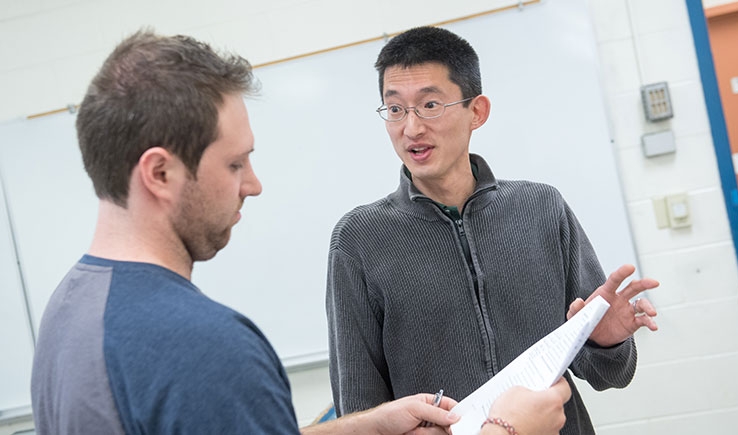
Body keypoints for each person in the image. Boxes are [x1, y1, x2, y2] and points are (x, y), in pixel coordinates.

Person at [30, 29, 573, 435]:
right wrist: (504, 430)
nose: (254, 185)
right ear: (160, 173)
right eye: (236, 164)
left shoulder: (70, 308)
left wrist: (368, 424)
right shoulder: (206, 350)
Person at [326, 26, 660, 435]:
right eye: (394, 109)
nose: (410, 128)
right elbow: (360, 411)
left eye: (429, 105)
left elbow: (609, 375)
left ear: (477, 111)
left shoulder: (541, 208)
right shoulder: (359, 240)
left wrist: (604, 342)